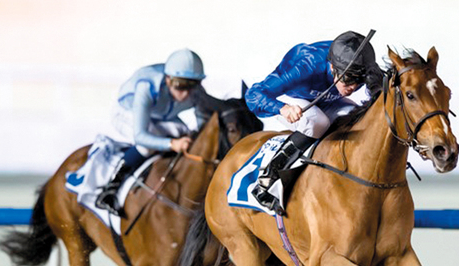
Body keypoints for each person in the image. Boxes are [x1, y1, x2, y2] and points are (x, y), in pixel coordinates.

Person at [244, 30, 382, 213]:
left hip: (326, 99)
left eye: (359, 81)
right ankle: (265, 183)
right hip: (292, 98)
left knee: (356, 119)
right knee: (317, 122)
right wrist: (283, 108)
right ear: (332, 67)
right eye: (348, 79)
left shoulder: (362, 64)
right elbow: (253, 95)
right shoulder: (307, 66)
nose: (353, 87)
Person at [96, 48, 220, 215]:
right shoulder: (148, 86)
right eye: (180, 86)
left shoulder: (196, 92)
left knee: (186, 134)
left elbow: (202, 126)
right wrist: (172, 144)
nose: (186, 94)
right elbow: (140, 136)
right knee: (147, 146)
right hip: (127, 112)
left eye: (192, 86)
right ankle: (110, 189)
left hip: (160, 115)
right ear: (168, 79)